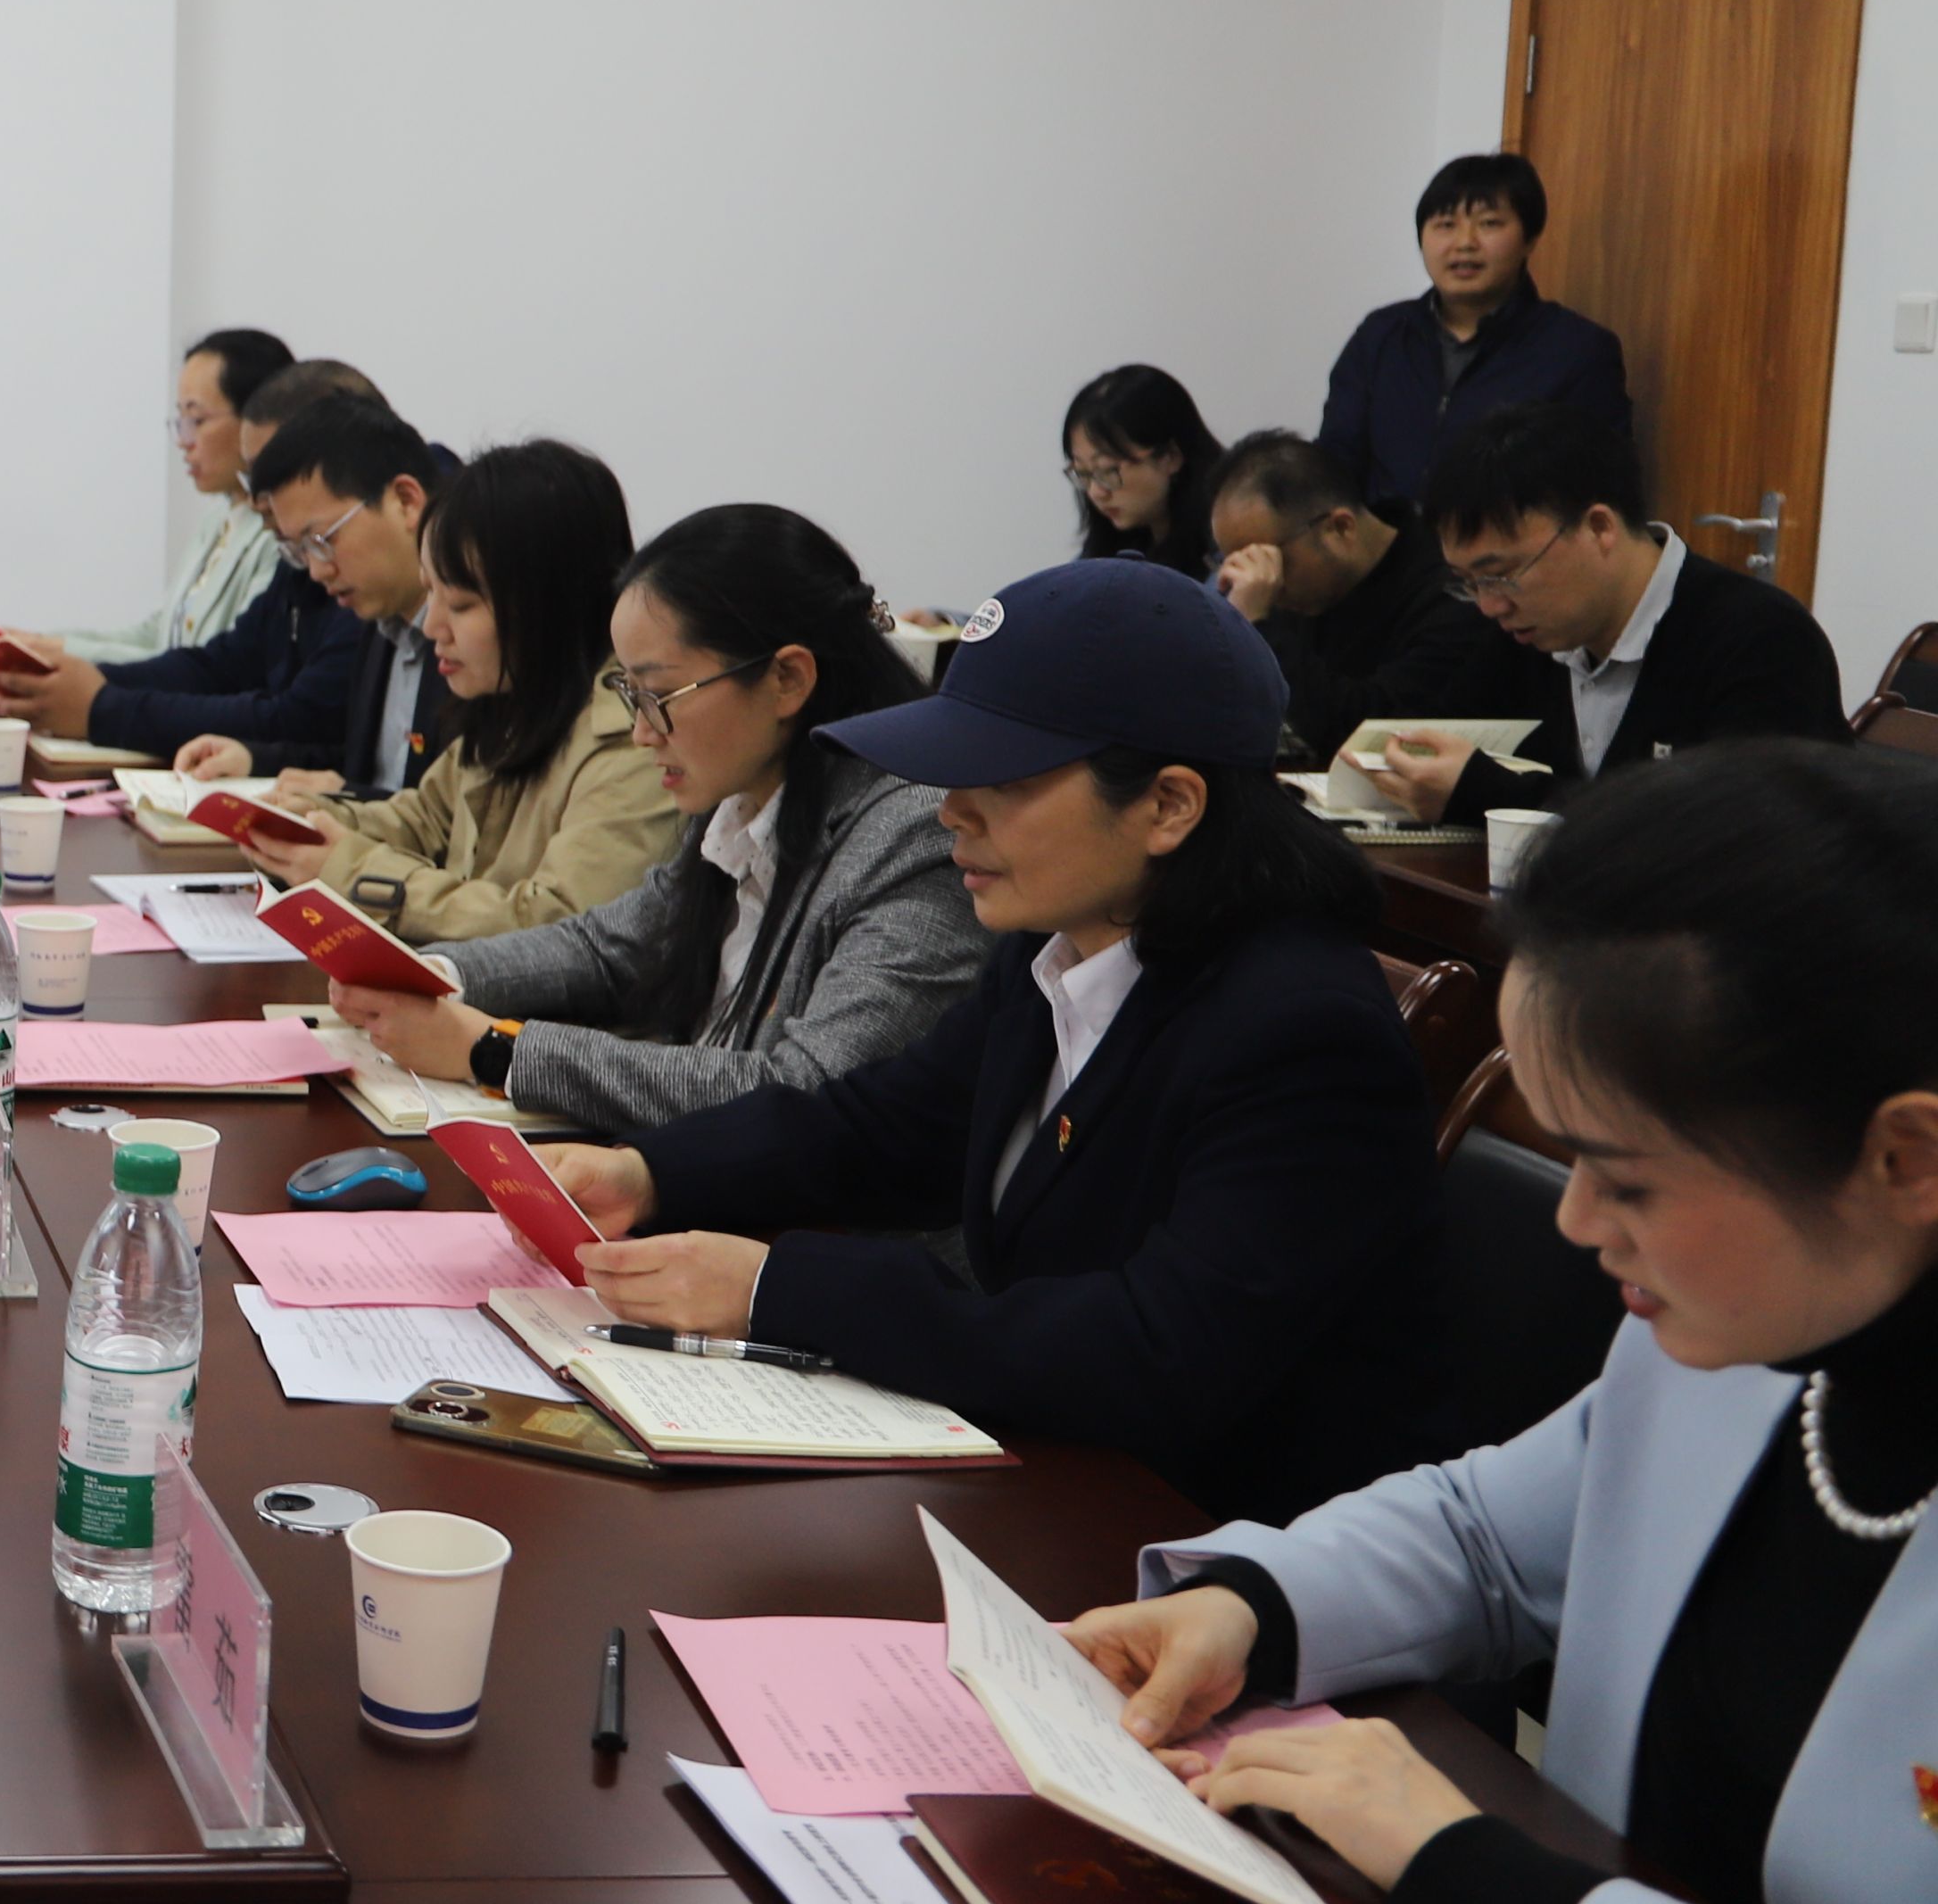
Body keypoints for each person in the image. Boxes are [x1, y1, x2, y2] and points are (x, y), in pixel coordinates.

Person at [1073, 743, 1938, 1904]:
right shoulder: (1743, 1330)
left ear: (1904, 1154)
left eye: (1624, 1172)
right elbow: (1488, 1530)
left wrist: (1476, 1881)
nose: (1575, 1219)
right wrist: (1253, 1603)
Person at [556, 559, 1440, 1524]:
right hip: (1056, 1481)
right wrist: (646, 1172)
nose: (951, 810)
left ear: (1168, 805)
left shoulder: (1302, 1032)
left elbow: (1156, 1352)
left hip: (1198, 1540)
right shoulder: (1057, 947)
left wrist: (780, 1289)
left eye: (1003, 779)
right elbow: (884, 1126)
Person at [330, 506, 982, 1136]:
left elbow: (802, 1092)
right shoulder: (741, 796)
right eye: (630, 694)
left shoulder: (915, 838)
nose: (643, 732)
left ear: (787, 678)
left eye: (660, 695)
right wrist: (430, 976)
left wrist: (496, 1051)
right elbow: (609, 947)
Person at [213, 440, 671, 944]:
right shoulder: (513, 701)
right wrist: (315, 821)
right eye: (430, 591)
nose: (432, 626)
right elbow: (425, 819)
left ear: (547, 603)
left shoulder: (633, 743)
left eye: (461, 604)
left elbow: (556, 928)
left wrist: (348, 869)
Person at [1362, 401, 1845, 826]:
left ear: (1598, 528)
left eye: (1501, 575)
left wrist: (1491, 794)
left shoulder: (1761, 638)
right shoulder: (1524, 635)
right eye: (1469, 583)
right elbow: (1448, 739)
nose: (1490, 606)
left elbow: (1733, 832)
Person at [0, 360, 379, 766]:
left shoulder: (356, 572)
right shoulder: (291, 554)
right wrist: (86, 683)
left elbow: (297, 718)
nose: (257, 502)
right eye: (253, 479)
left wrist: (102, 707)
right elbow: (222, 664)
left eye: (273, 480)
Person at [170, 393, 464, 803]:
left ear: (405, 500)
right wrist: (253, 759)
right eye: (300, 551)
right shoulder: (379, 619)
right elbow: (368, 766)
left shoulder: (473, 634)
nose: (316, 571)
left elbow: (460, 819)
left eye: (322, 541)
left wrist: (349, 797)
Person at [1316, 151, 1635, 511]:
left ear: (1530, 238)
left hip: (1508, 547)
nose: (1464, 242)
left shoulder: (1578, 351)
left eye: (1489, 223)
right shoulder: (1380, 336)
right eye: (1445, 224)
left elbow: (1600, 488)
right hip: (1385, 545)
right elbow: (1334, 463)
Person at [1201, 426, 1524, 766]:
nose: (1258, 579)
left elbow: (1373, 739)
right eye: (1236, 563)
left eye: (1268, 559)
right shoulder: (1286, 595)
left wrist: (1257, 629)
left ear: (1340, 527)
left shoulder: (1453, 591)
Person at [57, 328, 293, 663]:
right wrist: (47, 646)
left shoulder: (282, 536)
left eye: (197, 419)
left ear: (257, 419)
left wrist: (61, 656)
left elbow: (215, 666)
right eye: (181, 419)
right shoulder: (217, 521)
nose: (184, 440)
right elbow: (161, 634)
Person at [1059, 363, 1223, 578]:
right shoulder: (1112, 547)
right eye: (1083, 473)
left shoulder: (1228, 545)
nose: (1096, 493)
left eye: (1107, 471)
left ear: (1170, 456)